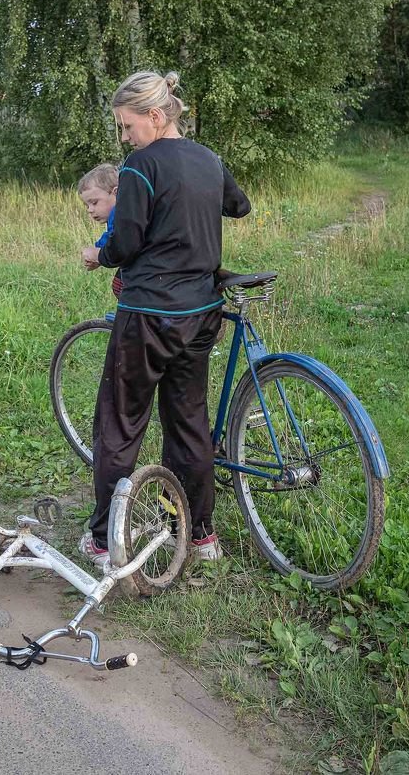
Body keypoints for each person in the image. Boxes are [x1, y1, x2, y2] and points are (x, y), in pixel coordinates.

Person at [78, 71, 251, 569]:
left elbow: (126, 242)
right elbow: (238, 206)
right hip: (201, 313)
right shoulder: (208, 159)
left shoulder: (140, 165)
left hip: (149, 314)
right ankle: (198, 535)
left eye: (127, 126)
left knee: (121, 423)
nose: (125, 138)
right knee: (189, 422)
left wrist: (97, 254)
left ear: (155, 117)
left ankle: (106, 540)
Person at [77, 163, 123, 299]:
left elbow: (113, 238)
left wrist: (96, 252)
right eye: (87, 205)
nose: (90, 210)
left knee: (119, 285)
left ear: (116, 193)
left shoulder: (120, 214)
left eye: (94, 202)